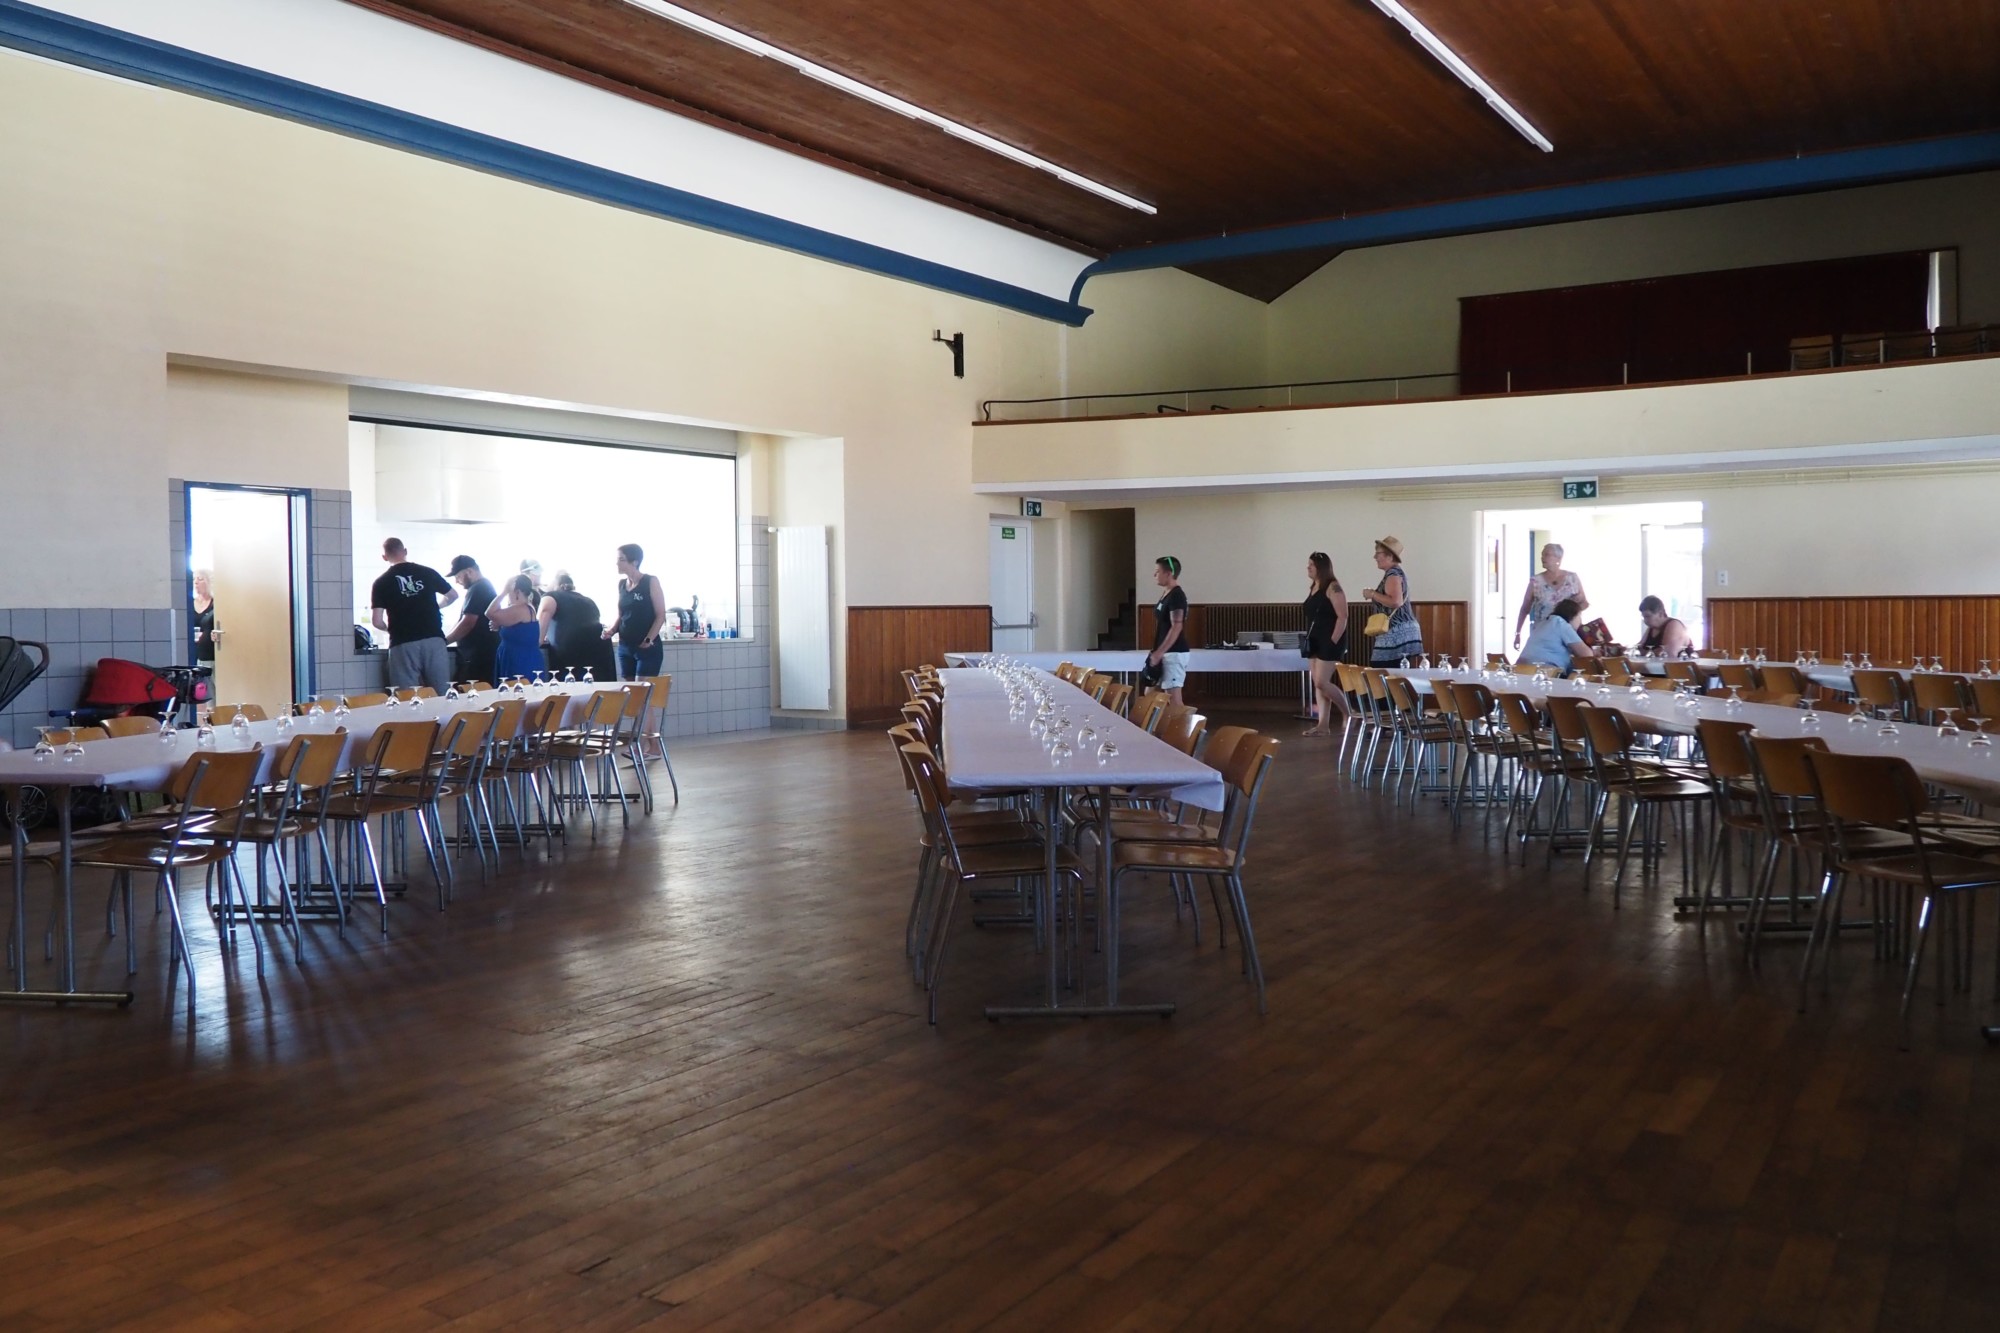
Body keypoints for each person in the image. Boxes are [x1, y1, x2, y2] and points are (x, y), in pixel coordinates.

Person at [370, 537, 458, 692]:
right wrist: (437, 607)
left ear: (384, 557)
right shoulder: (427, 572)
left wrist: (390, 629)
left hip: (403, 642)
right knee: (441, 692)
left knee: (407, 696)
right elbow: (452, 595)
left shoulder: (381, 582)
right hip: (433, 639)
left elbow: (377, 621)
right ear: (405, 551)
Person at [1301, 552, 1350, 737]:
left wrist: (1333, 641)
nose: (1308, 567)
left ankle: (1348, 713)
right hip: (1314, 640)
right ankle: (1322, 725)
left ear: (1321, 568)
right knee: (1318, 684)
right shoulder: (1314, 586)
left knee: (1322, 682)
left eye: (1312, 565)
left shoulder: (1333, 587)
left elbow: (1342, 616)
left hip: (1330, 640)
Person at [602, 542, 668, 679]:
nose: (617, 563)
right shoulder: (621, 584)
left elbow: (660, 615)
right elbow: (621, 615)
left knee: (641, 688)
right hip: (625, 646)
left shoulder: (650, 581)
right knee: (629, 688)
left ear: (635, 562)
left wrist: (648, 640)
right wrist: (611, 631)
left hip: (646, 646)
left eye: (621, 559)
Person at [1512, 543, 1589, 653]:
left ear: (1558, 558)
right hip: (1544, 636)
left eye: (1546, 554)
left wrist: (1576, 603)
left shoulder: (1572, 578)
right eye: (1542, 555)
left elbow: (1585, 604)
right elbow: (1525, 609)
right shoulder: (1536, 581)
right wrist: (1518, 633)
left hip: (1569, 636)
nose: (1542, 558)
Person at [1362, 537, 1423, 665]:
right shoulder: (1394, 573)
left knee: (1382, 671)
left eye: (1378, 554)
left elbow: (1395, 602)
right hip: (1399, 631)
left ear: (1389, 556)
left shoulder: (1393, 574)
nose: (1375, 557)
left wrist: (1372, 594)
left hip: (1397, 632)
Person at [445, 555, 499, 686]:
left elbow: (468, 622)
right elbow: (463, 620)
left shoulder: (478, 588)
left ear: (469, 571)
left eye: (458, 576)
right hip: (479, 654)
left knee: (469, 691)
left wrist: (444, 642)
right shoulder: (482, 586)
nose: (457, 581)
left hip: (478, 656)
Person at [538, 570, 603, 675]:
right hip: (594, 657)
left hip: (565, 656)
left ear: (556, 586)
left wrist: (538, 640)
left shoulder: (550, 596)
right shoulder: (589, 601)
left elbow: (540, 630)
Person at [1147, 556, 1190, 707]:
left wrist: (1160, 652)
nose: (1154, 575)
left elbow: (1177, 626)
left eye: (1157, 571)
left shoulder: (1177, 595)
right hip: (1163, 652)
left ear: (1168, 573)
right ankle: (1157, 722)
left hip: (1174, 653)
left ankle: (1183, 723)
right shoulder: (1166, 594)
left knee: (1174, 700)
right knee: (1150, 694)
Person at [487, 574, 544, 682]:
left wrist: (503, 592)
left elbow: (490, 613)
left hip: (519, 661)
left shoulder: (521, 609)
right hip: (516, 658)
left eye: (509, 592)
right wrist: (500, 625)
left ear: (517, 592)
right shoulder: (524, 608)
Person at [1517, 598, 1597, 675]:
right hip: (1545, 673)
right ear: (1573, 615)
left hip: (1521, 670)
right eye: (1579, 616)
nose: (1580, 622)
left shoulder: (1543, 623)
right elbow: (1587, 655)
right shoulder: (1560, 623)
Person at [191, 568, 217, 671]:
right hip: (193, 653)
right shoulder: (189, 604)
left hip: (211, 654)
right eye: (194, 579)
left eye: (200, 579)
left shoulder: (216, 603)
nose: (196, 582)